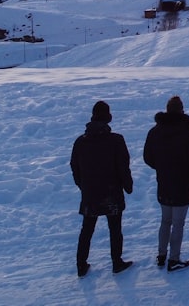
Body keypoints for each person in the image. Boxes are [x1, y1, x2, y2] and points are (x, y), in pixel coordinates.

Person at [70, 100, 134, 277]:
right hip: (112, 193)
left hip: (90, 194)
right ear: (108, 118)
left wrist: (82, 185)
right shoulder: (116, 140)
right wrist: (128, 185)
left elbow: (74, 166)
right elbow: (123, 166)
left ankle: (81, 264)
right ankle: (116, 262)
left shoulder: (80, 142)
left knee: (87, 229)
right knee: (115, 229)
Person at [143, 95, 189, 272]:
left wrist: (161, 167)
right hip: (183, 183)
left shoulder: (155, 131)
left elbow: (148, 157)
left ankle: (161, 255)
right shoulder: (187, 133)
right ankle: (174, 258)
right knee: (178, 223)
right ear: (182, 110)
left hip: (164, 182)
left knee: (165, 221)